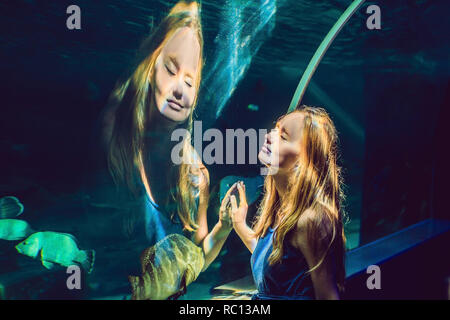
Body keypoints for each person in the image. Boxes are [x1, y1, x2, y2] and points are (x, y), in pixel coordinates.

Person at [101, 0, 233, 278]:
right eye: (171, 70)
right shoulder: (116, 139)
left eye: (189, 82)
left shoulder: (196, 177)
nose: (178, 89)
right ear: (150, 68)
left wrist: (224, 227)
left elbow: (194, 264)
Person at [227, 105, 347, 300]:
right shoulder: (283, 209)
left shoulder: (311, 220)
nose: (269, 136)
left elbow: (328, 296)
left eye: (283, 136)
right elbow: (279, 264)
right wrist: (240, 225)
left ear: (303, 161)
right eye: (275, 128)